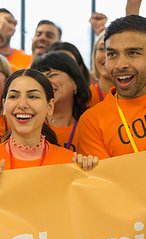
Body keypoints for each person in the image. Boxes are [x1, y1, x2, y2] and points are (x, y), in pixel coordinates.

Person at [78, 15, 146, 158]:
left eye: (133, 53)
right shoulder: (92, 121)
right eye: (112, 54)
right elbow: (108, 180)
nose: (120, 65)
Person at [31, 51, 91, 151]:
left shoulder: (91, 124)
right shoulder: (29, 125)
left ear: (75, 82)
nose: (46, 82)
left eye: (52, 75)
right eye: (41, 78)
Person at [88, 31, 113, 106]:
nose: (106, 55)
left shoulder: (140, 97)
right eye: (102, 49)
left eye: (113, 50)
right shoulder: (84, 97)